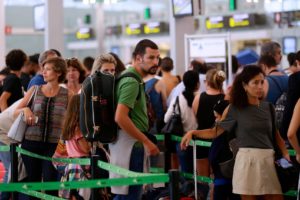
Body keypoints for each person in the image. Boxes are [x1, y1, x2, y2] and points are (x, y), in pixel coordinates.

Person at [181, 65, 289, 199]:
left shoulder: (269, 108)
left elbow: (276, 135)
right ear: (244, 85)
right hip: (246, 161)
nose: (260, 86)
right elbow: (216, 132)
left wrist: (286, 155)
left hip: (268, 160)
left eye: (262, 82)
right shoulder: (235, 108)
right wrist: (193, 133)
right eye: (255, 82)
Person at [109, 39, 160, 200]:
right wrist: (146, 141)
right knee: (130, 195)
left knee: (127, 194)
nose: (156, 62)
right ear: (138, 58)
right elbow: (120, 117)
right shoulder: (131, 81)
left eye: (157, 58)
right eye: (151, 57)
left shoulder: (131, 78)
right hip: (131, 146)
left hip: (129, 145)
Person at [14, 57, 69, 199]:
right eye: (43, 68)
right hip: (30, 143)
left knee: (51, 183)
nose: (43, 72)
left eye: (48, 69)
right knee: (34, 185)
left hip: (54, 145)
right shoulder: (35, 89)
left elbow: (72, 119)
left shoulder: (68, 94)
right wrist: (26, 110)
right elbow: (15, 111)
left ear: (58, 72)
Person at [192, 68, 226, 198]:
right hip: (219, 143)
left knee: (202, 181)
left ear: (206, 81)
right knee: (218, 180)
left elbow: (195, 119)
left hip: (201, 141)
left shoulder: (198, 98)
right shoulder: (225, 99)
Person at [164, 70, 199, 173]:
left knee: (186, 172)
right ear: (197, 84)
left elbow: (166, 118)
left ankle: (187, 189)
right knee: (199, 174)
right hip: (199, 141)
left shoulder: (177, 99)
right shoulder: (200, 98)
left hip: (182, 140)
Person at [59, 94, 91, 199]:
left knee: (72, 196)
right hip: (81, 166)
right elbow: (86, 149)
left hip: (71, 165)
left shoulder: (69, 125)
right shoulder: (78, 127)